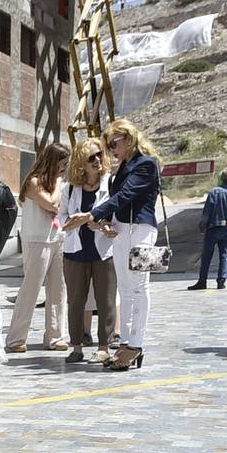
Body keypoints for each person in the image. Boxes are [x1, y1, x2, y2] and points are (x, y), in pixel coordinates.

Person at [73, 118, 161, 372]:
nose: (110, 149)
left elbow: (126, 195)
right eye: (108, 145)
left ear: (129, 138)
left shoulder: (146, 163)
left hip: (141, 229)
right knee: (125, 288)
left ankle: (136, 344)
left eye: (114, 143)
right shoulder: (123, 166)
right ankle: (125, 344)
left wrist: (92, 214)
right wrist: (103, 221)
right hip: (121, 230)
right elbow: (118, 199)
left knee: (139, 287)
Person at [6, 142, 71, 353]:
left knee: (59, 289)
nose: (64, 168)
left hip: (58, 238)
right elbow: (52, 204)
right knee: (31, 289)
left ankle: (55, 336)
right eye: (62, 163)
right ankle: (16, 338)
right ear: (52, 162)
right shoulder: (34, 182)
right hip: (37, 240)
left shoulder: (59, 183)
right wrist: (59, 182)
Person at [58, 137, 117, 364]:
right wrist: (71, 222)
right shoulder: (70, 188)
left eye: (100, 155)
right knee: (75, 301)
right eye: (91, 157)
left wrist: (101, 225)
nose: (97, 160)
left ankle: (104, 347)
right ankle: (76, 346)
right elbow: (61, 216)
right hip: (75, 252)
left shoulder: (111, 184)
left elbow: (116, 215)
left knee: (106, 300)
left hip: (104, 251)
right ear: (81, 162)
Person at [189, 169, 227, 290]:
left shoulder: (214, 192)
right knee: (224, 254)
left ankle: (202, 281)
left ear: (221, 178)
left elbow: (207, 211)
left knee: (207, 255)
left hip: (213, 227)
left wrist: (202, 225)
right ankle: (221, 281)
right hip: (226, 228)